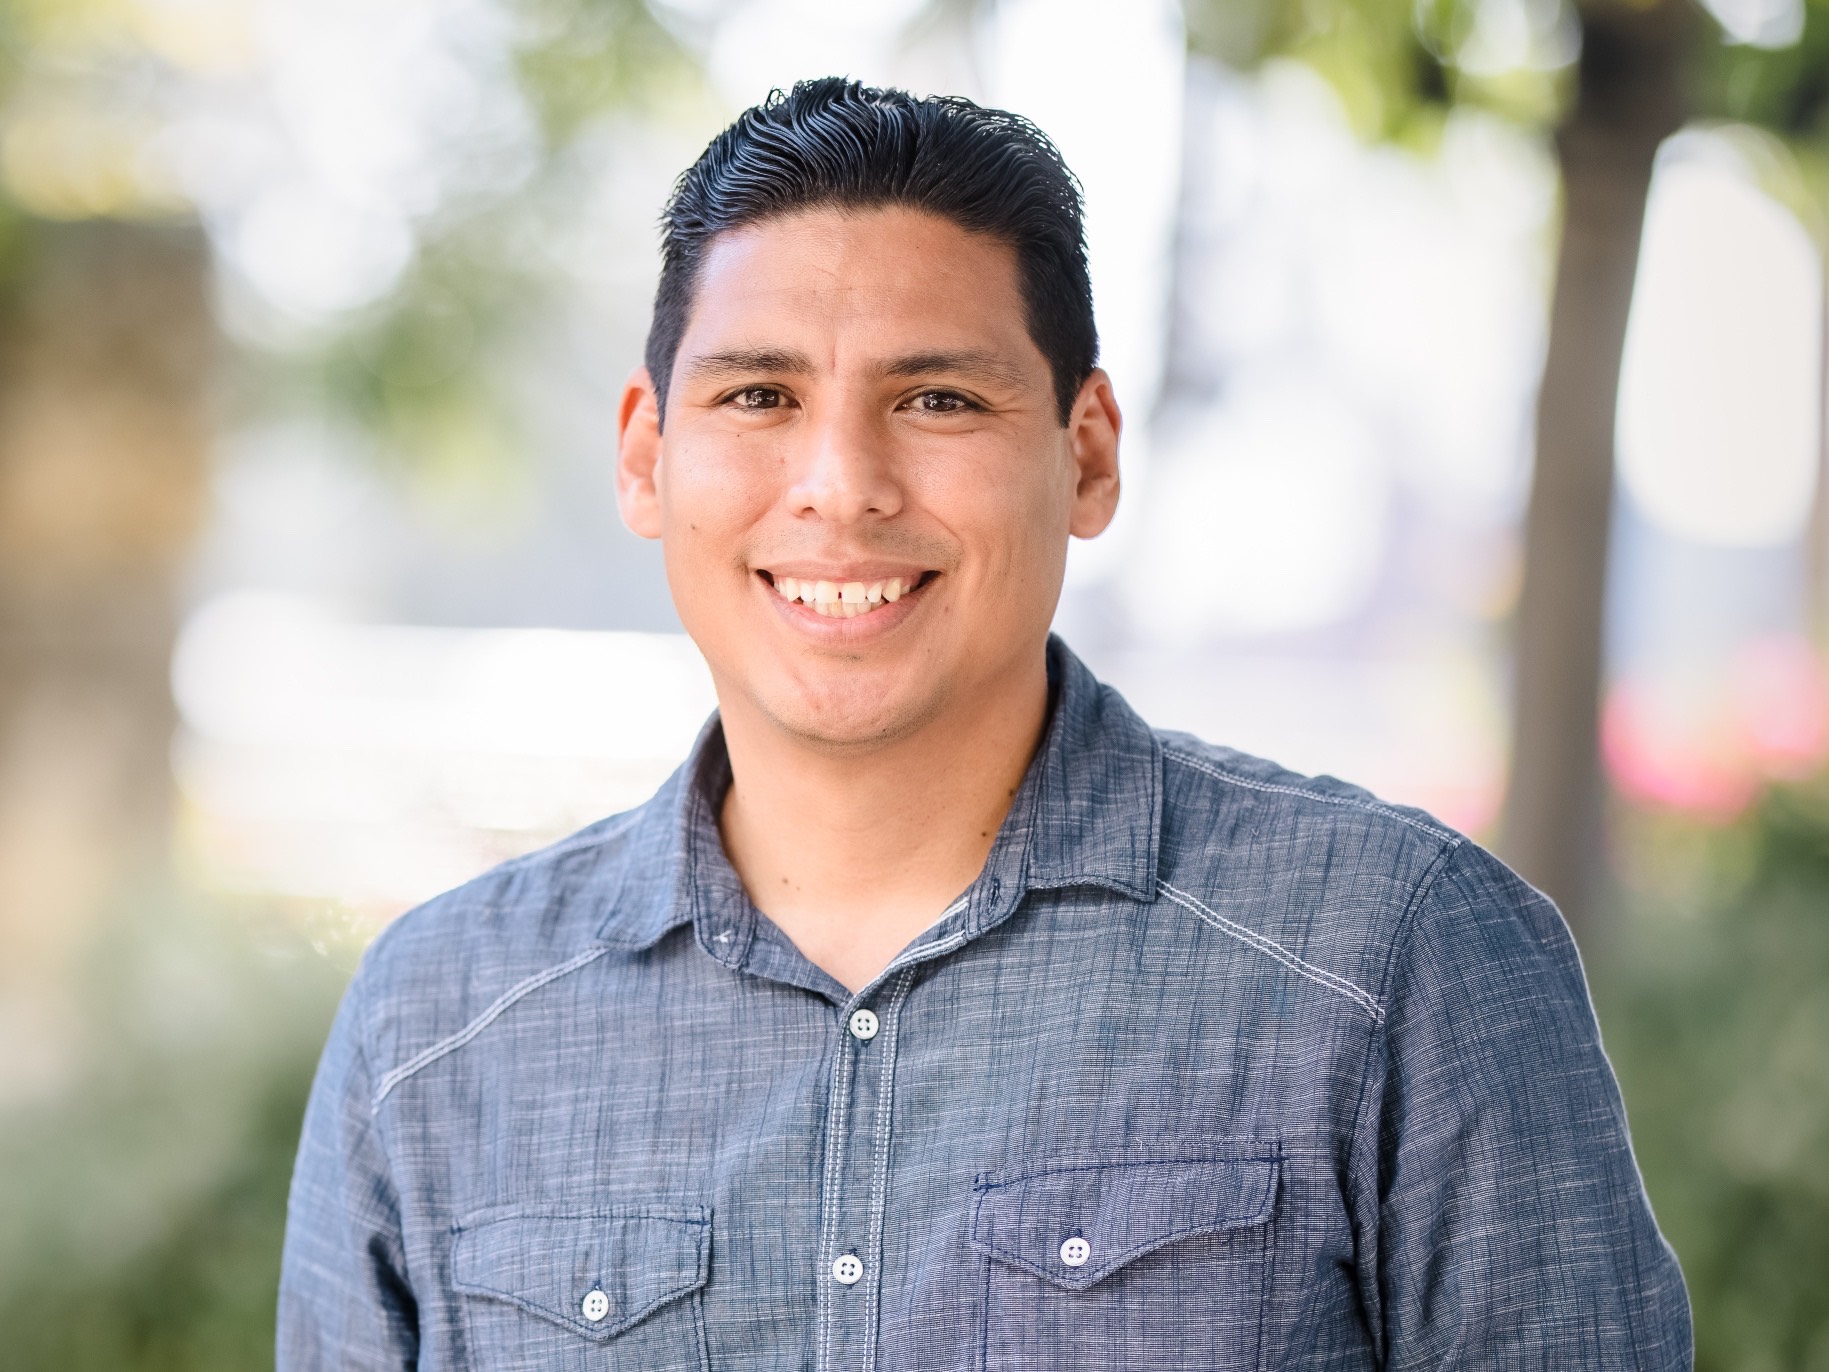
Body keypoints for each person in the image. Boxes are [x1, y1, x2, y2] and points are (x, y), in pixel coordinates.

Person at [278, 78, 1691, 1369]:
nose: (840, 484)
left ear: (1083, 454)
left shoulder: (1394, 958)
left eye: (937, 398)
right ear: (649, 454)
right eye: (759, 395)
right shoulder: (437, 1025)